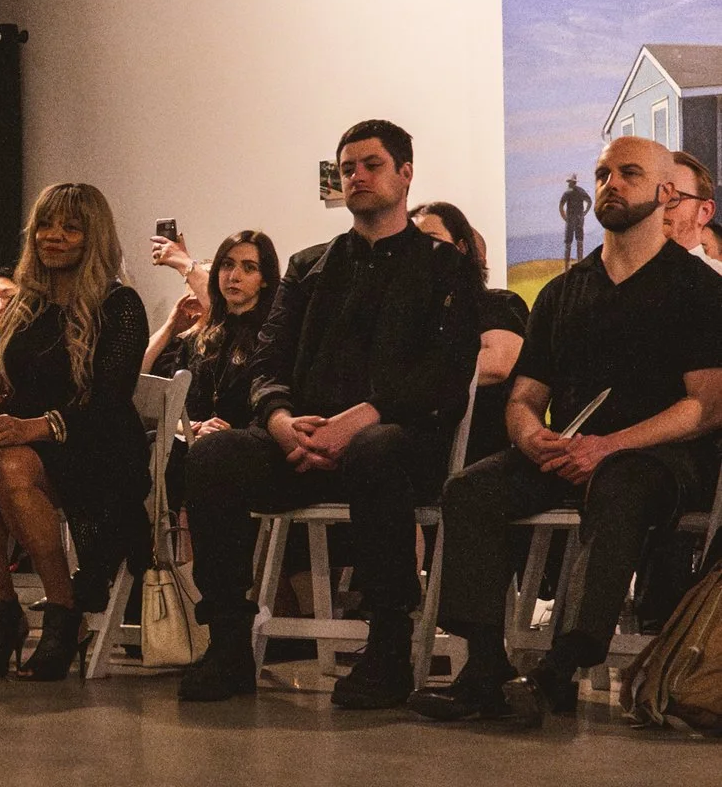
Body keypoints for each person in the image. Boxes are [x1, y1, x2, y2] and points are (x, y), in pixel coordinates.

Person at [411, 136, 722, 726]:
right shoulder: (563, 292)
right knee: (469, 489)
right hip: (570, 447)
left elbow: (706, 406)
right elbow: (525, 396)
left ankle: (560, 669)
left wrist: (610, 445)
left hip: (661, 457)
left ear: (665, 192)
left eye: (629, 173)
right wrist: (530, 436)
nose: (610, 184)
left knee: (619, 485)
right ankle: (484, 668)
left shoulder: (700, 289)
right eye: (603, 174)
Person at [176, 120, 480, 709]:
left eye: (371, 165)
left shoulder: (446, 266)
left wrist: (362, 417)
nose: (356, 177)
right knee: (213, 454)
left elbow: (445, 376)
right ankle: (229, 642)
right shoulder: (310, 265)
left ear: (405, 174)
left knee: (376, 447)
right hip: (302, 442)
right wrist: (280, 420)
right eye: (347, 169)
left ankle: (388, 647)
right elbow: (267, 363)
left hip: (397, 446)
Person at [0, 182, 150, 680]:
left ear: (93, 236)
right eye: (45, 224)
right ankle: (5, 612)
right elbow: (24, 386)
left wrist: (34, 426)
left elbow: (108, 401)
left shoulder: (120, 304)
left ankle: (64, 613)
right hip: (32, 441)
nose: (53, 236)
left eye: (70, 227)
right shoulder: (28, 305)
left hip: (98, 447)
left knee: (9, 464)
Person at [411, 200, 529, 461]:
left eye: (431, 240)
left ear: (462, 249)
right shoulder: (408, 317)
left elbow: (498, 363)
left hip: (478, 455)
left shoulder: (497, 303)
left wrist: (408, 376)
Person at [150, 231, 281, 436]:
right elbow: (163, 409)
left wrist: (230, 436)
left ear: (264, 279)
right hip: (190, 442)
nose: (234, 277)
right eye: (227, 265)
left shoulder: (270, 337)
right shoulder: (198, 339)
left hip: (244, 444)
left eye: (249, 268)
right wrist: (193, 428)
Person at [662, 151, 722, 276]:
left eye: (672, 199)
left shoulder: (716, 277)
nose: (656, 210)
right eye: (651, 201)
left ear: (705, 211)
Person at [560, 174, 591, 264]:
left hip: (572, 219)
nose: (569, 184)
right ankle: (572, 265)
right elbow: (589, 201)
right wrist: (585, 212)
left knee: (572, 242)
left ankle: (570, 265)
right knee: (575, 241)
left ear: (573, 182)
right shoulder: (579, 191)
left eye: (570, 182)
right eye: (569, 182)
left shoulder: (568, 192)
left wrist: (565, 217)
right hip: (577, 218)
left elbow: (561, 206)